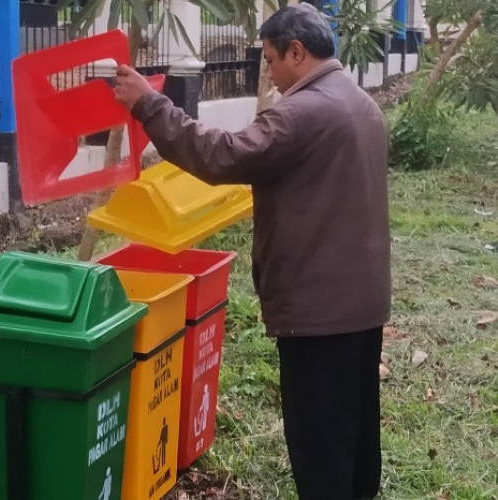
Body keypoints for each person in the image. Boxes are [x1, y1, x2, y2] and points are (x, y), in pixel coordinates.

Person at [113, 4, 391, 499]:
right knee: (354, 430)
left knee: (319, 444)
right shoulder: (359, 102)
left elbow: (223, 155)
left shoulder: (303, 112)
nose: (270, 73)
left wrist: (148, 105)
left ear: (297, 52)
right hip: (361, 304)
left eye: (271, 60)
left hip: (319, 312)